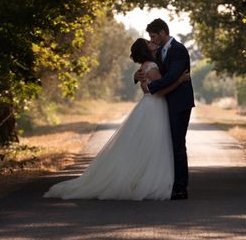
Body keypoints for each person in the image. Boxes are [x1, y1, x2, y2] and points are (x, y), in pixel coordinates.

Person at [43, 38, 189, 200]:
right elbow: (159, 92)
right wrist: (180, 81)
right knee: (155, 144)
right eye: (148, 42)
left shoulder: (145, 67)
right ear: (146, 50)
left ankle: (144, 178)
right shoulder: (152, 68)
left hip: (151, 106)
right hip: (155, 107)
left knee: (149, 144)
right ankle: (150, 182)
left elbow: (146, 88)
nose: (152, 42)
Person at [135, 18, 195, 200]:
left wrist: (149, 89)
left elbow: (171, 76)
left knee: (177, 143)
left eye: (153, 36)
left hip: (179, 103)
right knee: (165, 144)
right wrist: (137, 76)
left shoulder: (179, 50)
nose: (152, 40)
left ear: (163, 32)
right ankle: (166, 182)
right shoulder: (159, 50)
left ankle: (180, 187)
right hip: (163, 102)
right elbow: (148, 67)